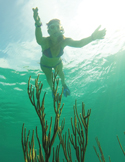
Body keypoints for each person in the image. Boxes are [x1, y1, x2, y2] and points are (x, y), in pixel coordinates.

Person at [32, 7, 106, 97]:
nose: (55, 29)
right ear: (48, 31)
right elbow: (38, 39)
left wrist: (92, 37)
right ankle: (53, 90)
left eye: (57, 27)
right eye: (52, 27)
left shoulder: (64, 41)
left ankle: (64, 85)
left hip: (57, 63)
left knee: (61, 75)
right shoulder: (45, 42)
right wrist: (38, 24)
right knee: (49, 77)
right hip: (45, 65)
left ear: (60, 29)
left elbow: (79, 44)